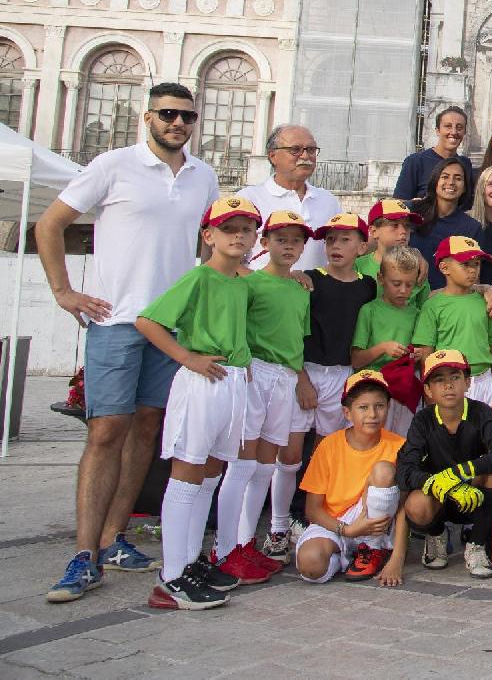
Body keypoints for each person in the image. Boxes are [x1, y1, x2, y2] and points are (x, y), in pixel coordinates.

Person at [40, 82, 220, 603]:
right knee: (105, 430)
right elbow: (51, 224)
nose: (177, 123)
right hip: (116, 320)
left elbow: (209, 247)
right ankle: (82, 554)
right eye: (168, 114)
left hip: (171, 326)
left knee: (147, 427)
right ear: (148, 118)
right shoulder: (113, 165)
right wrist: (63, 291)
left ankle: (114, 537)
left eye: (186, 115)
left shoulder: (201, 175)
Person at [132, 195, 259, 610]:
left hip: (233, 380)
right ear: (209, 235)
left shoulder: (239, 281)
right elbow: (148, 320)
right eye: (229, 228)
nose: (238, 236)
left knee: (210, 471)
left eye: (245, 228)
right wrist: (187, 357)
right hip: (203, 382)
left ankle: (189, 562)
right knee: (187, 472)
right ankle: (171, 576)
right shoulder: (199, 277)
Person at [266, 212, 377, 563]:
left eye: (345, 239)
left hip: (343, 373)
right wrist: (301, 378)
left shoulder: (368, 286)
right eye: (330, 239)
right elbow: (293, 332)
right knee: (291, 452)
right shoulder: (308, 281)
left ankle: (327, 518)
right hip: (308, 370)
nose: (336, 246)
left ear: (362, 245)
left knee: (330, 452)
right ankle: (279, 526)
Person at [215, 210, 313, 584]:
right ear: (265, 242)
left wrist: (300, 377)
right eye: (280, 239)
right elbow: (237, 327)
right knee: (242, 462)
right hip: (256, 370)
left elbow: (296, 339)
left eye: (295, 240)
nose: (288, 246)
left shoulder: (300, 288)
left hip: (285, 378)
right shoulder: (250, 284)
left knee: (266, 463)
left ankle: (245, 543)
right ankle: (226, 547)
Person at [397, 350, 492, 579]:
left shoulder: (481, 412)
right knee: (415, 504)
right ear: (428, 390)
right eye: (439, 380)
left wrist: (460, 473)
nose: (448, 386)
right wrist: (440, 483)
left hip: (475, 498)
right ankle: (436, 534)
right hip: (440, 499)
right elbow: (404, 471)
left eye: (454, 377)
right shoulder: (422, 420)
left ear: (468, 382)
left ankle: (477, 544)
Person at [293, 370, 406, 587]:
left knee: (383, 470)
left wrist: (397, 559)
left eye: (379, 406)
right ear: (347, 413)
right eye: (363, 407)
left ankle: (372, 548)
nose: (372, 414)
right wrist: (347, 530)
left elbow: (403, 508)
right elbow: (313, 509)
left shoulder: (399, 445)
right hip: (335, 523)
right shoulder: (329, 445)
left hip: (375, 523)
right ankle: (344, 557)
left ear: (388, 407)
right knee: (310, 566)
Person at [411, 236, 492, 418]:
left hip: (482, 381)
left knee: (480, 440)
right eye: (465, 264)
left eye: (477, 264)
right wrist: (430, 396)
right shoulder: (432, 305)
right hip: (447, 383)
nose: (473, 270)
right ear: (444, 267)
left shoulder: (487, 302)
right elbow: (426, 355)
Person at [240, 124, 340, 270]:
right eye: (295, 150)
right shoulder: (249, 199)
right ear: (272, 155)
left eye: (311, 150)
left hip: (316, 291)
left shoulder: (327, 200)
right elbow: (230, 259)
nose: (305, 156)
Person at [351, 245, 426, 437]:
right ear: (381, 279)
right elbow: (356, 359)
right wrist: (383, 348)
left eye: (409, 285)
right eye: (396, 283)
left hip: (405, 388)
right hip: (374, 386)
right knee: (372, 437)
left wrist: (417, 355)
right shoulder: (369, 311)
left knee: (402, 440)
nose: (403, 290)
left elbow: (421, 354)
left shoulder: (417, 313)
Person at [408, 157, 486, 291]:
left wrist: (486, 289)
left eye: (458, 178)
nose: (451, 182)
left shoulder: (472, 227)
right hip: (406, 296)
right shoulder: (411, 211)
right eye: (445, 176)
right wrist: (412, 252)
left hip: (443, 302)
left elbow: (472, 277)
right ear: (435, 181)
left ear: (465, 187)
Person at [356, 200, 427, 311]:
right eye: (394, 225)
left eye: (407, 226)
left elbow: (424, 311)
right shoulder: (357, 267)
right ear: (374, 231)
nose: (403, 231)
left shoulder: (417, 269)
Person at [395, 106, 473, 203]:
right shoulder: (415, 161)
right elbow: (398, 202)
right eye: (448, 126)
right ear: (437, 130)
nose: (454, 132)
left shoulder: (465, 163)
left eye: (459, 127)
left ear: (464, 132)